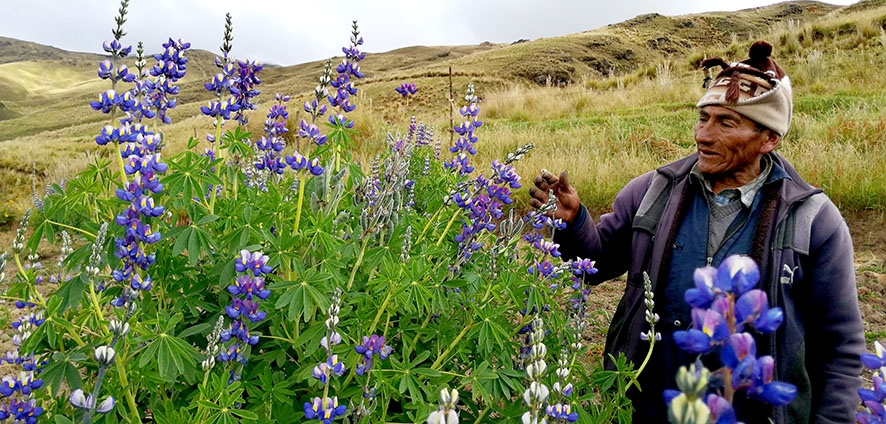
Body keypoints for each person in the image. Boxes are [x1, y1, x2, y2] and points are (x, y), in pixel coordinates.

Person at [529, 41, 864, 423]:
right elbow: (594, 263)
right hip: (648, 402)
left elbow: (840, 347)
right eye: (703, 118)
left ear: (769, 138)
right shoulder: (652, 190)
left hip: (752, 409)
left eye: (726, 123)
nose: (703, 135)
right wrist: (571, 224)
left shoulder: (812, 218)